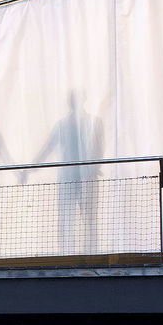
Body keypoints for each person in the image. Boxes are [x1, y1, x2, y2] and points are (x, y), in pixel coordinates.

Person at [34, 91, 104, 255]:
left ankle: (72, 254)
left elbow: (47, 148)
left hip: (75, 176)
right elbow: (99, 148)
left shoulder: (65, 124)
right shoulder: (92, 123)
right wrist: (95, 166)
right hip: (83, 176)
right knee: (85, 218)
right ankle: (85, 254)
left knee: (71, 217)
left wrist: (31, 167)